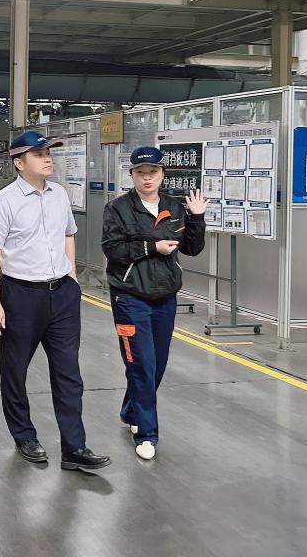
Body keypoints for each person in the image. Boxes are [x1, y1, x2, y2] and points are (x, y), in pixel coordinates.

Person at [0, 131, 110, 474]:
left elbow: (68, 233)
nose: (47, 158)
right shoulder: (5, 201)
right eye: (39, 154)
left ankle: (74, 447)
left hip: (62, 296)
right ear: (19, 163)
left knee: (69, 374)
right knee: (15, 371)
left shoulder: (59, 195)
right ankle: (24, 436)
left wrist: (71, 276)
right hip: (21, 296)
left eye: (48, 152)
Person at [101, 146, 206, 461]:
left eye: (153, 172)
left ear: (162, 174)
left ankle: (130, 410)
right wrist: (151, 247)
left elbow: (192, 248)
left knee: (156, 364)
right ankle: (147, 434)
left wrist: (197, 217)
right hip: (130, 296)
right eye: (140, 173)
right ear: (132, 175)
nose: (147, 178)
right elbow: (112, 249)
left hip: (165, 298)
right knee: (141, 365)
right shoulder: (117, 208)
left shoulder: (174, 206)